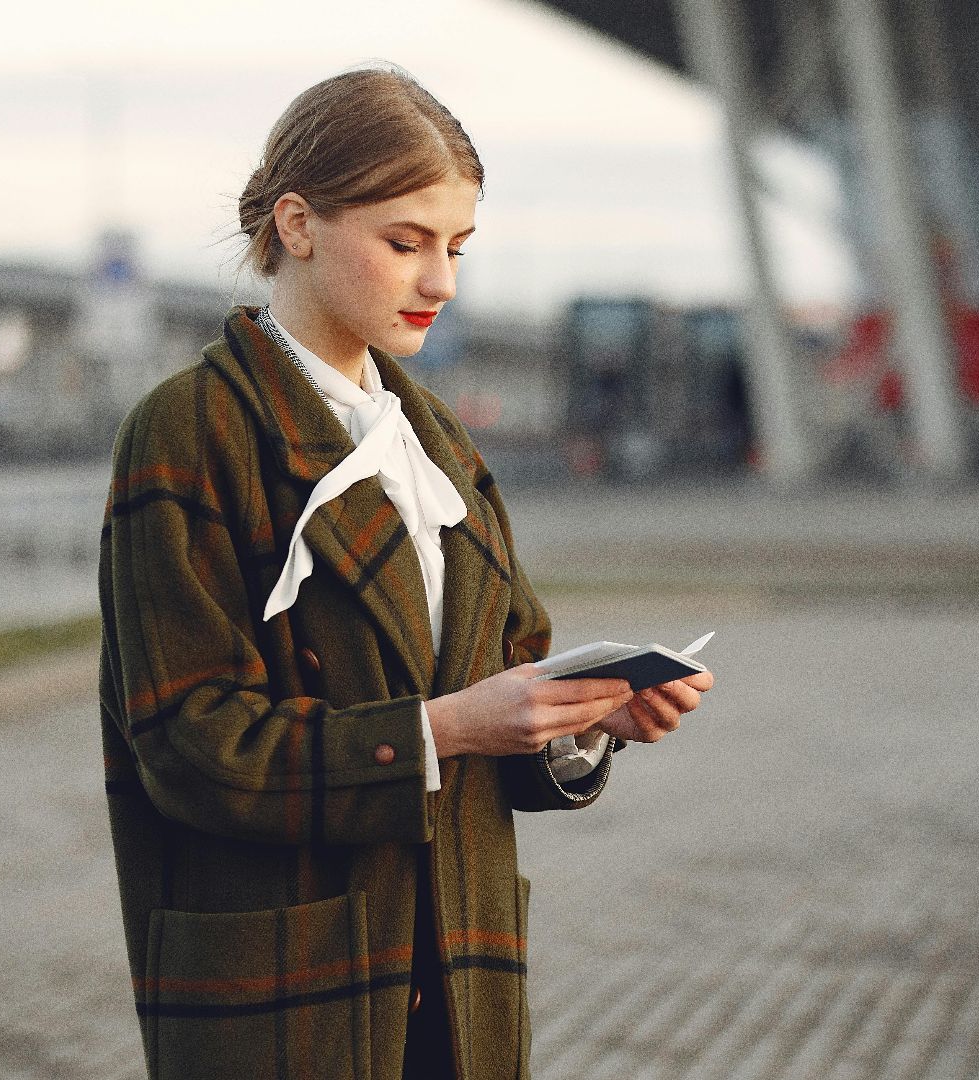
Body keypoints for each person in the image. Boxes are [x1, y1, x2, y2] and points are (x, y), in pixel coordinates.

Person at [96, 66, 715, 1080]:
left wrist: (585, 724)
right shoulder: (191, 430)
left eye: (457, 247)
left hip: (458, 987)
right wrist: (452, 726)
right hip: (288, 991)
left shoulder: (440, 448)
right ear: (296, 223)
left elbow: (506, 692)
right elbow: (187, 745)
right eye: (406, 243)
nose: (444, 284)